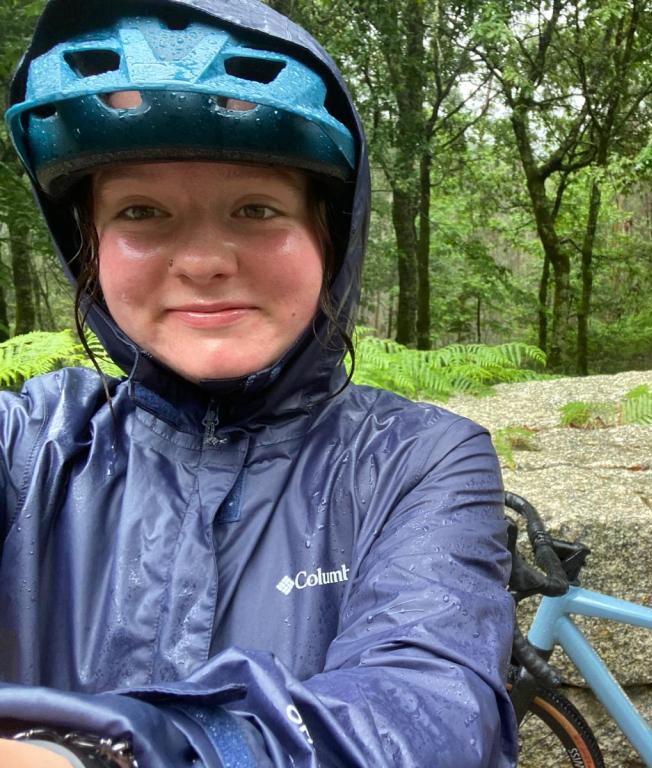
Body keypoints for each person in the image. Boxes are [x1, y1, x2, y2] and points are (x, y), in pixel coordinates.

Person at [0, 1, 516, 766]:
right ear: (92, 246)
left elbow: (429, 715)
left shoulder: (418, 462)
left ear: (326, 235)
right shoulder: (26, 446)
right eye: (141, 211)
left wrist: (102, 754)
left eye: (255, 208)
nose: (204, 261)